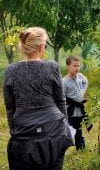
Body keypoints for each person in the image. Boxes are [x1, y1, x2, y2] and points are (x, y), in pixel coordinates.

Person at [3, 27, 73, 170]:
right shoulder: (52, 67)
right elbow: (61, 101)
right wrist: (63, 126)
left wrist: (15, 131)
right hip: (53, 131)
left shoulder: (10, 71)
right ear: (41, 47)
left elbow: (10, 107)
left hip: (23, 131)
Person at [63, 55, 90, 151]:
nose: (77, 68)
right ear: (68, 66)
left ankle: (81, 148)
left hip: (80, 108)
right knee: (70, 129)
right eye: (74, 66)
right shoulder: (64, 82)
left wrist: (82, 92)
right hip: (71, 110)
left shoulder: (80, 76)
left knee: (79, 129)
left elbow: (86, 82)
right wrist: (72, 101)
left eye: (78, 66)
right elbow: (62, 97)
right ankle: (62, 147)